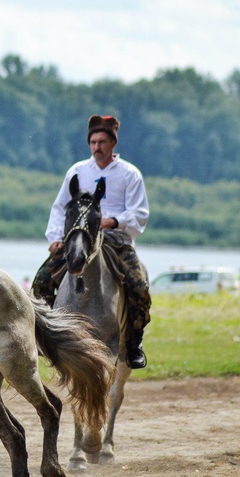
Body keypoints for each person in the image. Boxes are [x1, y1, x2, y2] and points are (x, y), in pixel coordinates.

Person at [31, 115, 151, 369]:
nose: (97, 147)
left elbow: (140, 213)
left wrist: (113, 221)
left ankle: (133, 344)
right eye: (93, 142)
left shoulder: (130, 174)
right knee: (41, 281)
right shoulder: (77, 171)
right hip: (79, 238)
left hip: (116, 241)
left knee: (139, 286)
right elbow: (59, 208)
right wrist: (54, 238)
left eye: (102, 141)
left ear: (113, 144)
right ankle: (45, 336)